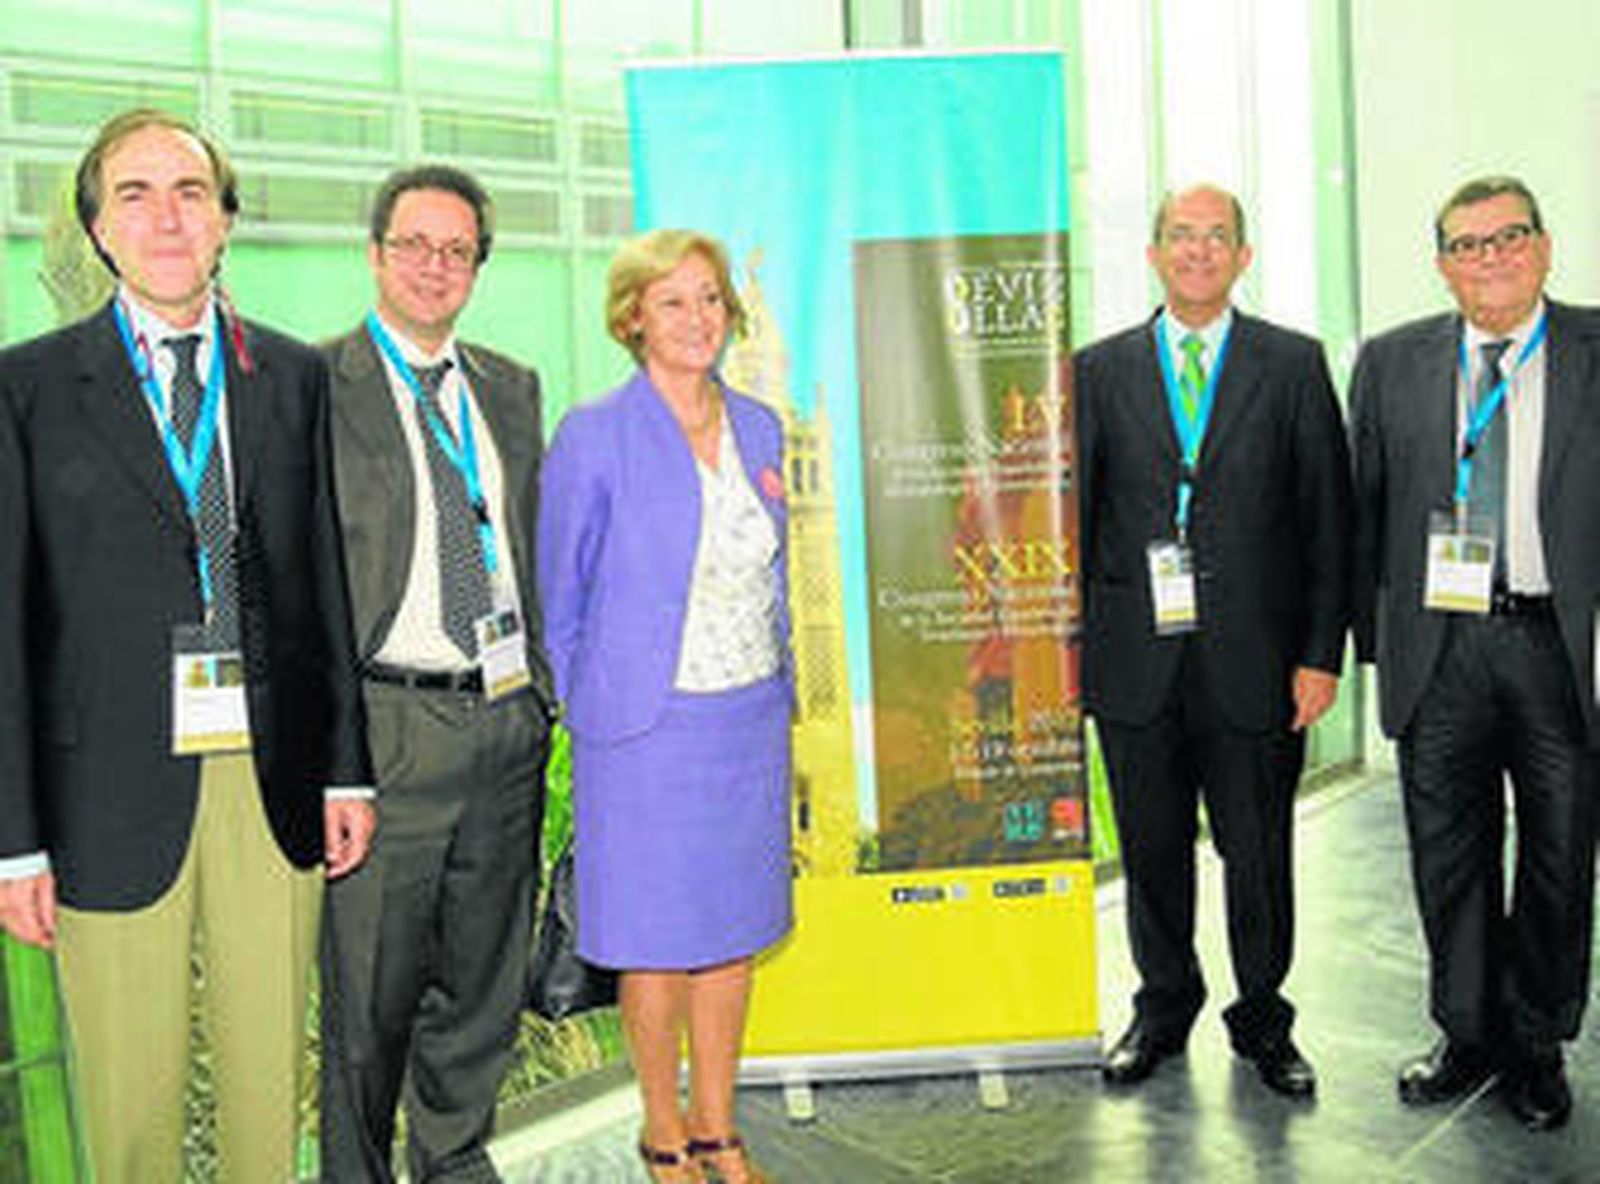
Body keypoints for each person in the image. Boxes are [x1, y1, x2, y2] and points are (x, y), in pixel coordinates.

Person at [0, 108, 374, 1183]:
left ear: (224, 222)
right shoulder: (25, 390)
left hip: (274, 770)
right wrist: (14, 838)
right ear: (96, 229)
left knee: (270, 1075)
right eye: (135, 193)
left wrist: (348, 767)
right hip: (104, 785)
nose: (167, 215)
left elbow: (322, 587)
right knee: (129, 1094)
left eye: (190, 191)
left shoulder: (293, 378)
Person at [1075, 184, 1352, 1098]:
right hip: (1134, 660)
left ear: (1244, 255)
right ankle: (1162, 1006)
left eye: (1216, 237)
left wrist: (1321, 655)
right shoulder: (1097, 370)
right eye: (1180, 236)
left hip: (1259, 664)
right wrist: (1073, 653)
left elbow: (1328, 523)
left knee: (1258, 853)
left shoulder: (1292, 364)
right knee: (1152, 850)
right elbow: (1075, 523)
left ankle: (1263, 1021)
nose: (1198, 251)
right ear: (1153, 253)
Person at [538, 228, 792, 1184]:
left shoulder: (762, 428)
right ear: (633, 316)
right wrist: (592, 710)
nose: (697, 318)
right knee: (654, 944)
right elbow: (560, 598)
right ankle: (661, 1130)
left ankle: (719, 1127)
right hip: (640, 737)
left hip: (745, 722)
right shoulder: (593, 434)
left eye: (711, 298)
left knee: (731, 936)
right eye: (673, 300)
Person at [318, 165, 557, 1181]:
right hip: (388, 723)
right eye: (413, 244)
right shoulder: (313, 383)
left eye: (456, 250)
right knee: (370, 989)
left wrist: (542, 691)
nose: (433, 265)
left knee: (481, 974)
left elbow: (532, 539)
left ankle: (455, 1157)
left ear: (475, 269)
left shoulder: (509, 385)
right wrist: (332, 758)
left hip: (503, 716)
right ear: (374, 254)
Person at [1349, 176, 1600, 1132]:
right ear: (1442, 263)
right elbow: (1363, 514)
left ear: (1544, 245)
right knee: (1446, 853)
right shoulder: (1389, 362)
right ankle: (1465, 1031)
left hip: (1555, 644)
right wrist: (1378, 648)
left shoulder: (1593, 347)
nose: (1490, 257)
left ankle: (1537, 1044)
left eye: (1509, 237)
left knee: (1558, 854)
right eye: (1467, 244)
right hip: (1440, 645)